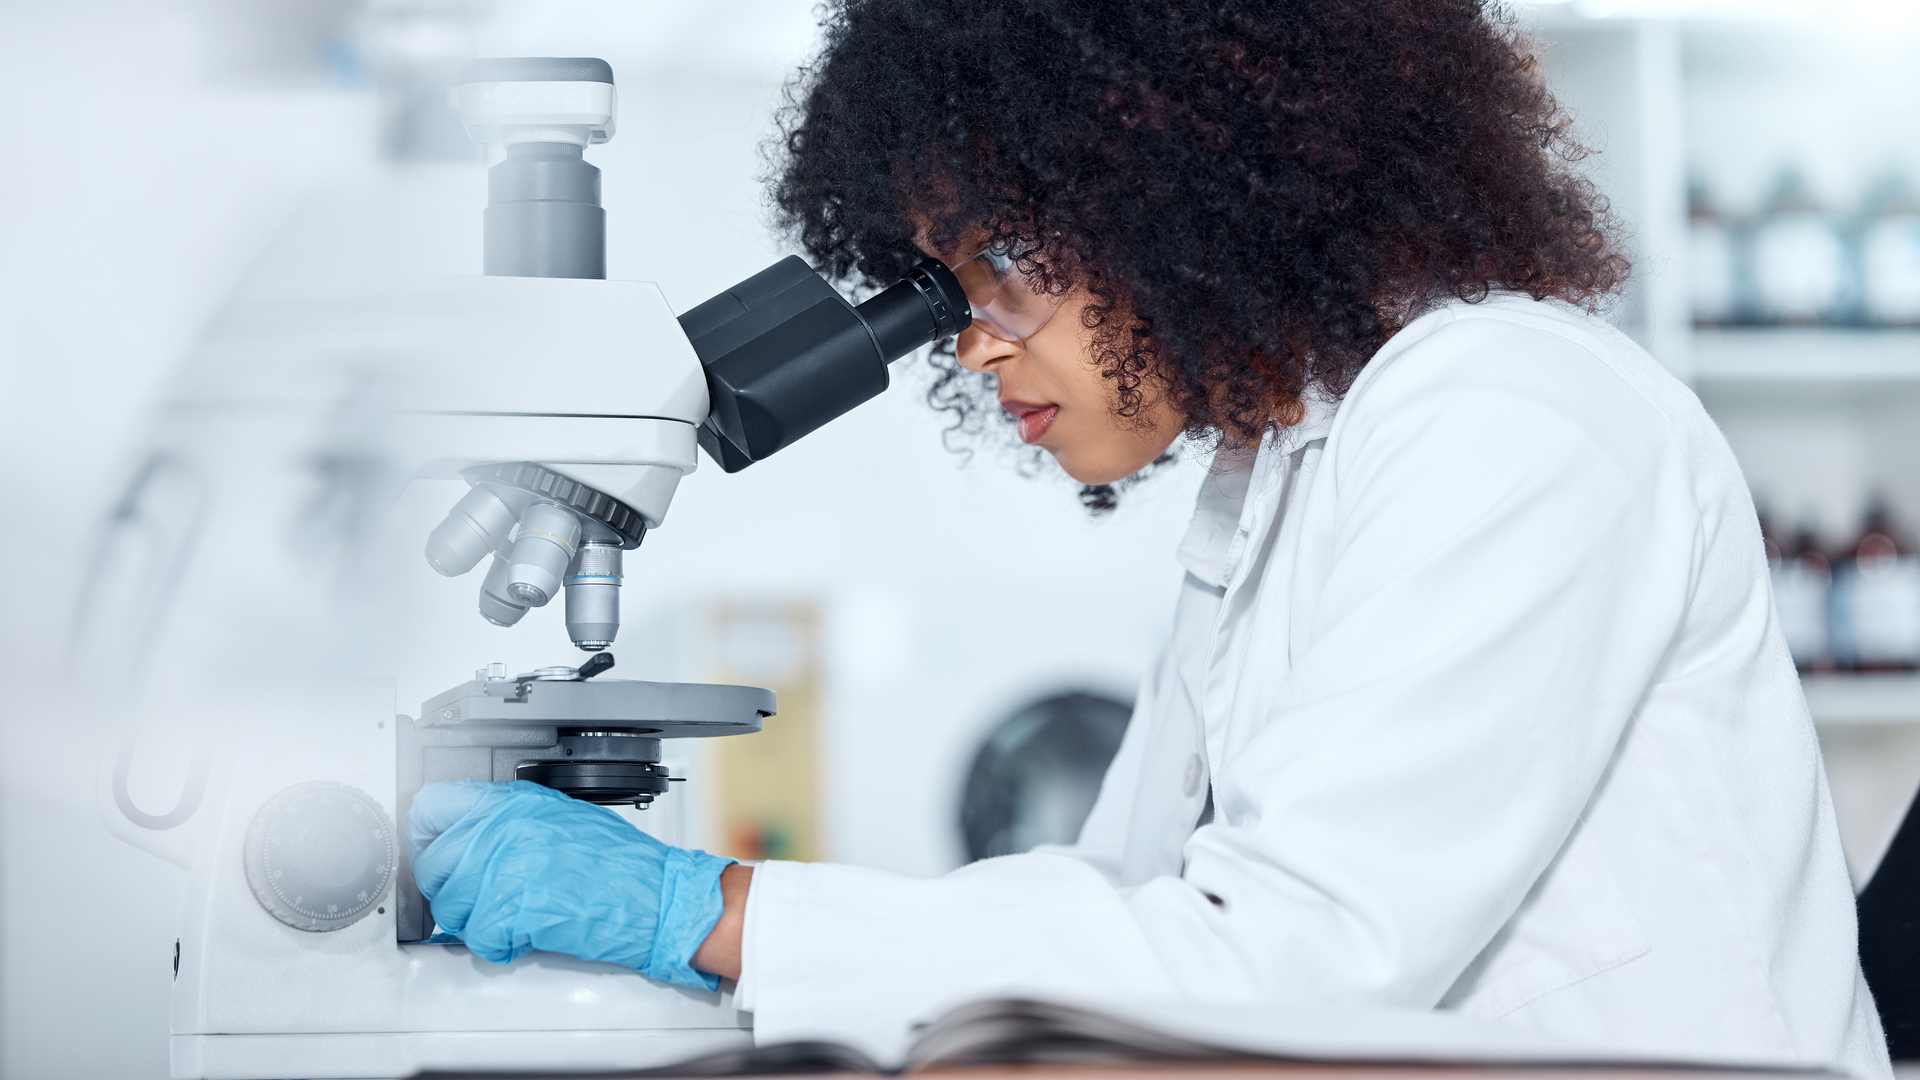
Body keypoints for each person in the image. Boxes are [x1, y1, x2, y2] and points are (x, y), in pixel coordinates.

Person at [406, 1, 1890, 1074]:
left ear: (1187, 190)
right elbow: (1125, 909)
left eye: (1002, 268)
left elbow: (1283, 968)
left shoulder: (1509, 413)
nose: (973, 350)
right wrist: (744, 931)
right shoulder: (1280, 467)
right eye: (945, 285)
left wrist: (709, 914)